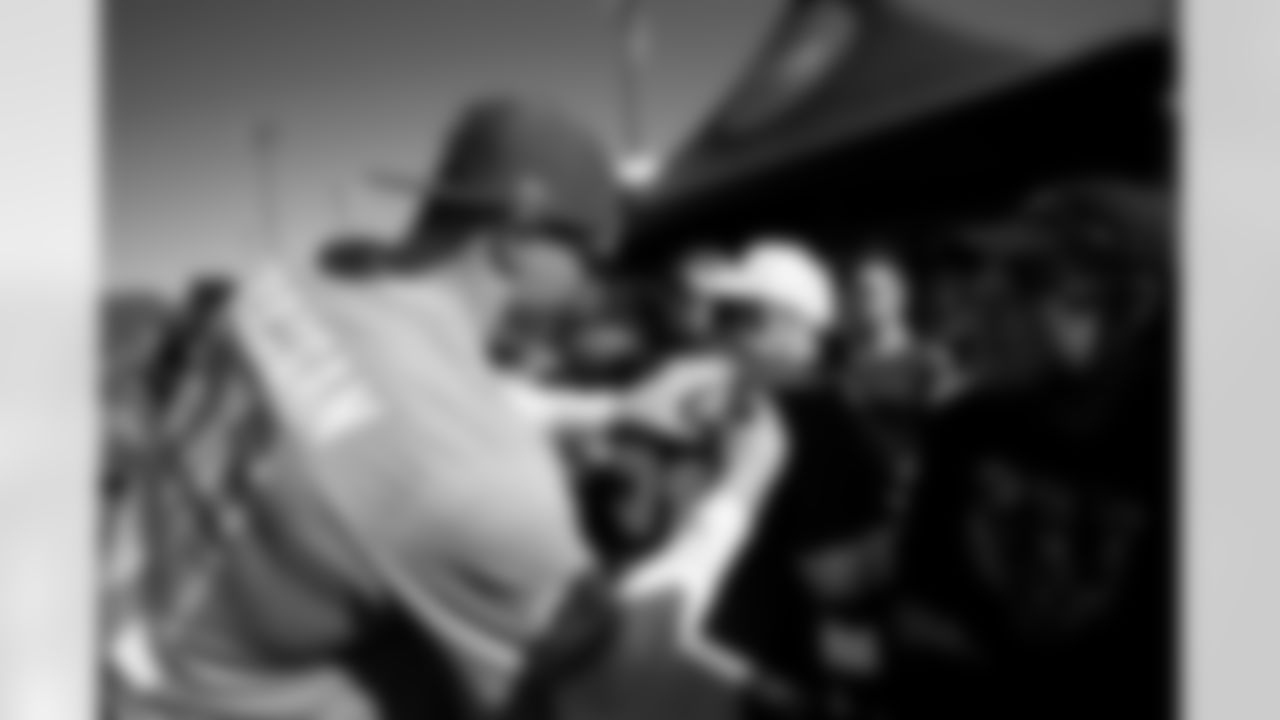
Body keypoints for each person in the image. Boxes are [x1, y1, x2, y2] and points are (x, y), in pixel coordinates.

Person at [105, 95, 627, 720]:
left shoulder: (279, 285)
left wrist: (604, 410)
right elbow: (584, 658)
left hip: (125, 636)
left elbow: (361, 417)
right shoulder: (478, 475)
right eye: (594, 250)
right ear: (515, 239)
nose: (596, 276)